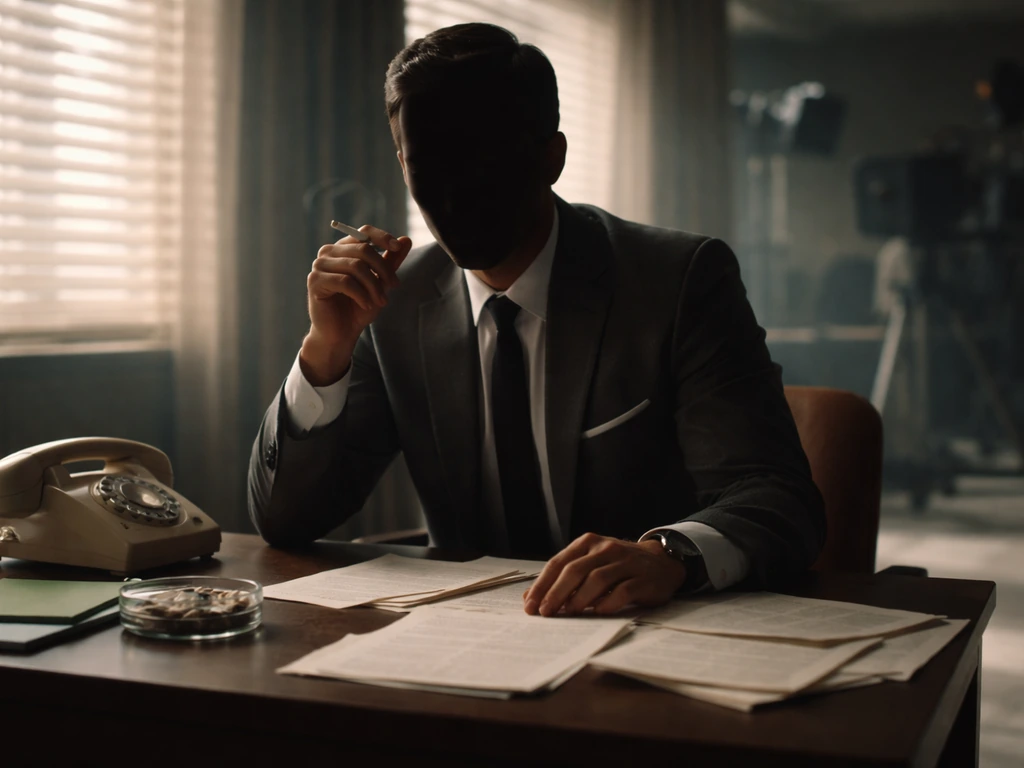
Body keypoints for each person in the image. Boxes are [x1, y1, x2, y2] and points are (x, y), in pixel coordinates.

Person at [248, 23, 825, 617]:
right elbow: (285, 520)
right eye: (426, 166)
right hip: (461, 641)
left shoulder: (678, 282)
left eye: (481, 162)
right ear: (401, 164)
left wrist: (670, 556)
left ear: (552, 156)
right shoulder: (396, 303)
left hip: (645, 632)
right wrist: (326, 348)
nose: (451, 198)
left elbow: (777, 497)